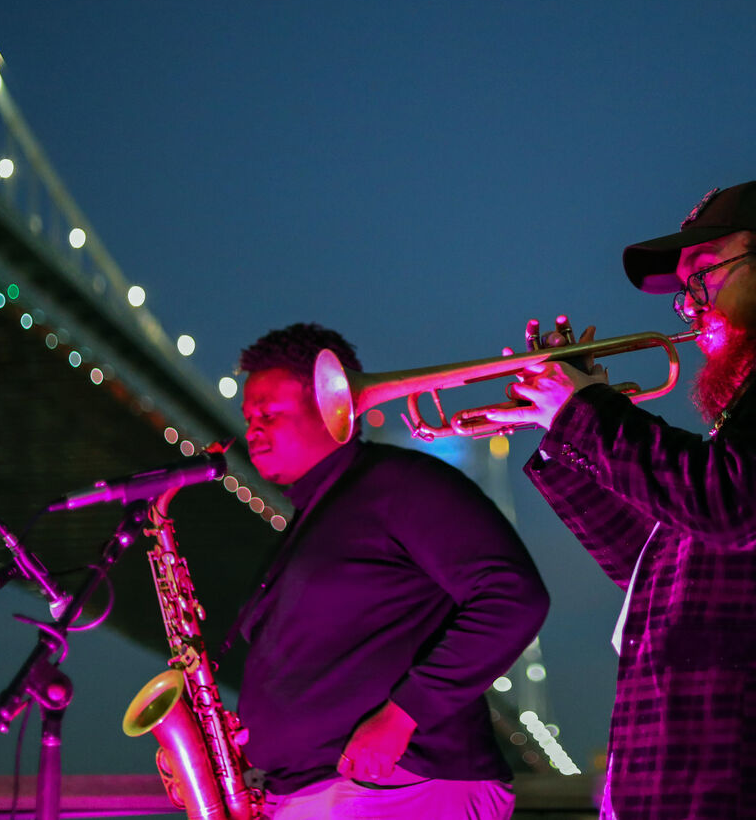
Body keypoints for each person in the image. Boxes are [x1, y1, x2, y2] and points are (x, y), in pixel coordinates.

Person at [485, 181, 756, 819]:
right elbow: (655, 565)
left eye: (706, 276)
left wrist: (587, 413)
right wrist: (565, 432)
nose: (691, 308)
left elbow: (729, 506)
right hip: (682, 768)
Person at [227, 322, 549, 819]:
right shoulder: (307, 524)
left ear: (333, 404)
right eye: (248, 416)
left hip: (399, 788)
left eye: (269, 413)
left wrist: (403, 716)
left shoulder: (400, 484)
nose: (253, 429)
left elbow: (514, 595)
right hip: (310, 794)